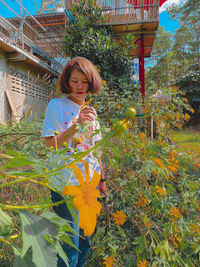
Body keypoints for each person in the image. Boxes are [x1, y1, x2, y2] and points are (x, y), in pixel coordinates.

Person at [41, 57, 107, 267]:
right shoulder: (57, 106)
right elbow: (51, 144)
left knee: (86, 238)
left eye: (84, 82)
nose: (79, 86)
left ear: (91, 84)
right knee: (71, 242)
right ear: (67, 82)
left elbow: (96, 150)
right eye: (75, 81)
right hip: (65, 184)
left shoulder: (92, 112)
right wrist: (75, 126)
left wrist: (102, 180)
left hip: (89, 186)